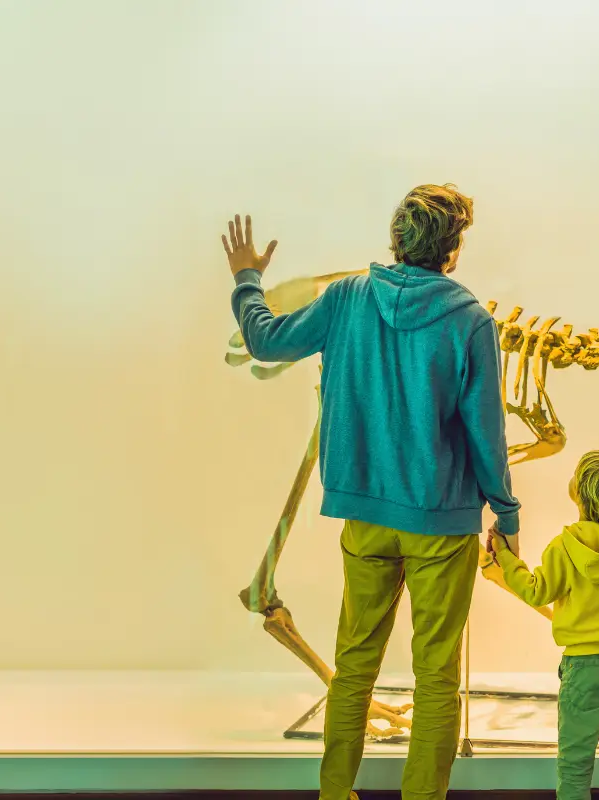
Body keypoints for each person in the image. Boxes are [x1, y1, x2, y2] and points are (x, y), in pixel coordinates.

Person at [222, 184, 521, 800]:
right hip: (443, 523)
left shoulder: (347, 299)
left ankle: (336, 794)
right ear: (453, 247)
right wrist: (507, 514)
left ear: (398, 236)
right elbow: (487, 434)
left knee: (355, 667)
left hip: (364, 518)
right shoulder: (470, 320)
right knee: (436, 678)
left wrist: (247, 280)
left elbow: (267, 341)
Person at [488, 444, 599, 800]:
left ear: (578, 495)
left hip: (584, 669)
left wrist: (504, 555)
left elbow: (535, 591)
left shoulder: (564, 548)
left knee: (575, 762)